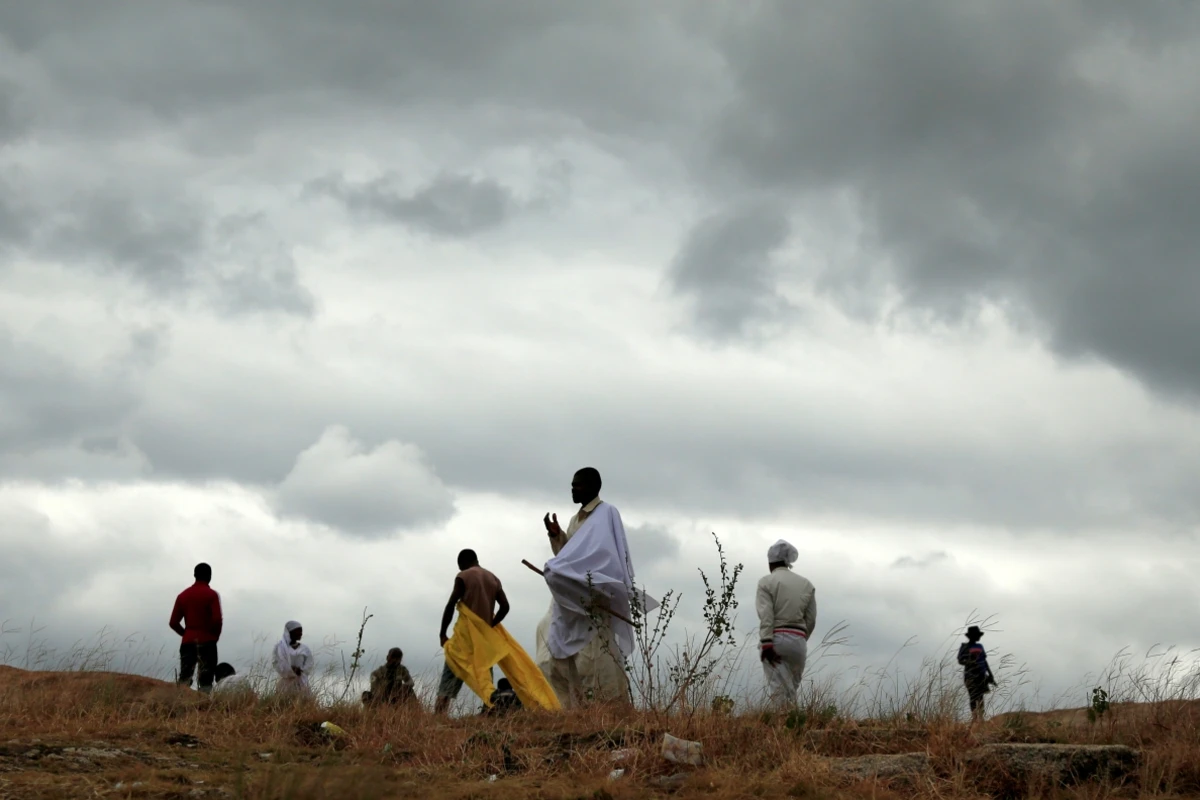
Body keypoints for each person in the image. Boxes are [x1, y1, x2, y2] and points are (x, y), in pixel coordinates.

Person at [541, 467, 656, 708]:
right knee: (557, 654)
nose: (573, 489)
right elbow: (569, 559)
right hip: (574, 601)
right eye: (572, 485)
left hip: (596, 598)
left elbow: (606, 557)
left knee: (598, 658)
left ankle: (611, 710)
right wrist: (557, 536)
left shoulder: (606, 514)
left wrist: (585, 579)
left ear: (593, 487)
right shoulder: (575, 520)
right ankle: (576, 711)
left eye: (578, 485)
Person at [437, 549, 560, 715]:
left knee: (451, 672)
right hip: (485, 640)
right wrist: (490, 625)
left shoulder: (463, 576)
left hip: (464, 637)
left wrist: (442, 634)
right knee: (485, 675)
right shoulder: (492, 578)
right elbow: (505, 606)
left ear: (463, 563)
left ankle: (439, 715)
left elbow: (451, 604)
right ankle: (491, 708)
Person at [756, 539, 817, 711]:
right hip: (798, 642)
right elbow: (811, 619)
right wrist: (801, 639)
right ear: (788, 562)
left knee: (778, 690)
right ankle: (794, 727)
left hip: (775, 639)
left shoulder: (766, 582)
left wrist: (767, 641)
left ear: (770, 562)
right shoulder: (806, 584)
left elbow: (766, 615)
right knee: (791, 690)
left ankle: (780, 729)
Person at [169, 563, 223, 693]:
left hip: (188, 641)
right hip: (208, 641)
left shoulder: (182, 596)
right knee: (206, 679)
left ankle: (180, 705)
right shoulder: (211, 595)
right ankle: (202, 709)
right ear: (210, 576)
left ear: (194, 575)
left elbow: (173, 622)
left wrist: (186, 634)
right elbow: (217, 620)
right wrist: (214, 637)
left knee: (185, 677)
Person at [958, 625, 996, 722]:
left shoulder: (980, 646)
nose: (979, 637)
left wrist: (990, 675)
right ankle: (975, 718)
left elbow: (984, 660)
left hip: (982, 675)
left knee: (981, 698)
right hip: (970, 675)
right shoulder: (965, 646)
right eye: (977, 635)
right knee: (973, 696)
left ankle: (981, 718)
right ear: (972, 636)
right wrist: (970, 662)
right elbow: (960, 660)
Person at [273, 621, 314, 697]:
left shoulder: (305, 648)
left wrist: (301, 670)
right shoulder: (279, 647)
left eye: (301, 631)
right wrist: (290, 670)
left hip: (302, 682)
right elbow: (277, 663)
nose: (300, 633)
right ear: (289, 632)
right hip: (285, 683)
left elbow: (309, 663)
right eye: (298, 631)